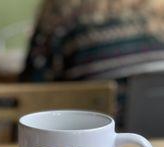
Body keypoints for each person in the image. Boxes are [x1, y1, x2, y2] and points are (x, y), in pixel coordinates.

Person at [21, 0, 164, 126]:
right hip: (156, 145)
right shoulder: (158, 14)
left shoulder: (60, 12)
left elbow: (30, 95)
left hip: (87, 144)